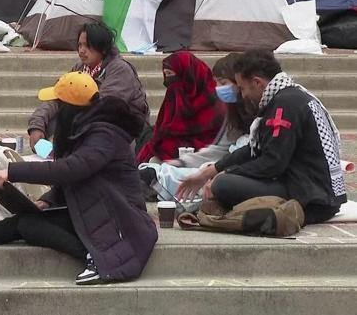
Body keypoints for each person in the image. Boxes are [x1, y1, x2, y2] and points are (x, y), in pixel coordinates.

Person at [0, 72, 157, 285]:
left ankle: (94, 258)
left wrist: (13, 171)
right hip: (97, 211)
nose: (54, 112)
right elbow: (78, 178)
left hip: (121, 222)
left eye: (58, 104)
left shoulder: (104, 135)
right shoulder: (88, 129)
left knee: (29, 225)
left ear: (69, 108)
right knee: (26, 220)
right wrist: (47, 200)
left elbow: (71, 170)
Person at [177, 50, 346, 224]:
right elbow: (254, 149)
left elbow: (272, 163)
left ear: (257, 83)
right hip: (313, 189)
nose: (242, 95)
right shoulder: (288, 96)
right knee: (223, 180)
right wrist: (210, 171)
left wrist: (224, 174)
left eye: (242, 88)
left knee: (223, 185)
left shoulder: (285, 105)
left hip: (313, 199)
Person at [140, 53, 254, 199]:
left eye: (223, 83)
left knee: (215, 180)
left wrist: (207, 167)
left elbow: (240, 153)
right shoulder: (234, 111)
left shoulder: (216, 105)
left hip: (230, 166)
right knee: (156, 164)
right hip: (212, 160)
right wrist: (182, 161)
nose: (218, 88)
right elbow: (221, 147)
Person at [27, 21, 149, 150]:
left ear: (102, 48)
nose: (81, 50)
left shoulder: (120, 69)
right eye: (79, 45)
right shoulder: (80, 67)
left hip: (119, 131)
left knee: (71, 121)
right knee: (54, 121)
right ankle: (51, 155)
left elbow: (103, 109)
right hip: (86, 122)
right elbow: (58, 95)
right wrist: (37, 125)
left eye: (87, 45)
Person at [136, 51, 225, 164]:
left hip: (205, 154)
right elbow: (165, 127)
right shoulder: (176, 94)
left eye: (170, 74)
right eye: (166, 75)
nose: (168, 81)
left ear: (187, 74)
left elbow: (211, 138)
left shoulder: (213, 100)